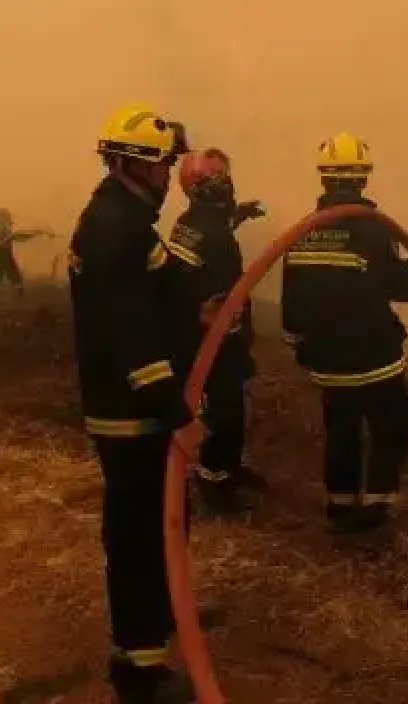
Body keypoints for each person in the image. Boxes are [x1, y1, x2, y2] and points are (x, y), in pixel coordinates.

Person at [66, 102, 203, 704]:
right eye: (162, 165)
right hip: (131, 413)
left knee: (153, 528)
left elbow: (155, 291)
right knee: (141, 535)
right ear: (133, 164)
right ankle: (140, 668)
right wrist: (177, 414)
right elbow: (131, 335)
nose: (168, 175)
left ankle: (151, 631)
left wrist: (198, 309)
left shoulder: (124, 219)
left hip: (132, 408)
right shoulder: (114, 228)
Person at [280, 132, 408, 534]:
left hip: (325, 358)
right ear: (363, 178)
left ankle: (340, 504)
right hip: (372, 355)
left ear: (324, 178)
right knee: (392, 422)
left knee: (341, 428)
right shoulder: (372, 230)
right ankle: (376, 502)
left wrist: (300, 342)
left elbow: (291, 294)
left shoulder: (303, 231)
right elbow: (398, 282)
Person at [163, 146, 269, 516]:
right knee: (222, 410)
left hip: (220, 333)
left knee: (233, 405)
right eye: (216, 180)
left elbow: (214, 232)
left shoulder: (194, 222)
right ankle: (212, 479)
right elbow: (188, 283)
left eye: (225, 177)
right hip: (211, 339)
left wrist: (240, 215)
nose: (226, 186)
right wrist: (207, 320)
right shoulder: (209, 232)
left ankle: (230, 467)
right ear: (198, 188)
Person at [0, 208, 53, 301]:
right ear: (3, 217)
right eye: (7, 217)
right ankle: (15, 294)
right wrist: (35, 233)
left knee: (0, 274)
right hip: (1, 253)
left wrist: (34, 233)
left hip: (0, 252)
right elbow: (15, 237)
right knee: (8, 273)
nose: (9, 220)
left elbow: (15, 237)